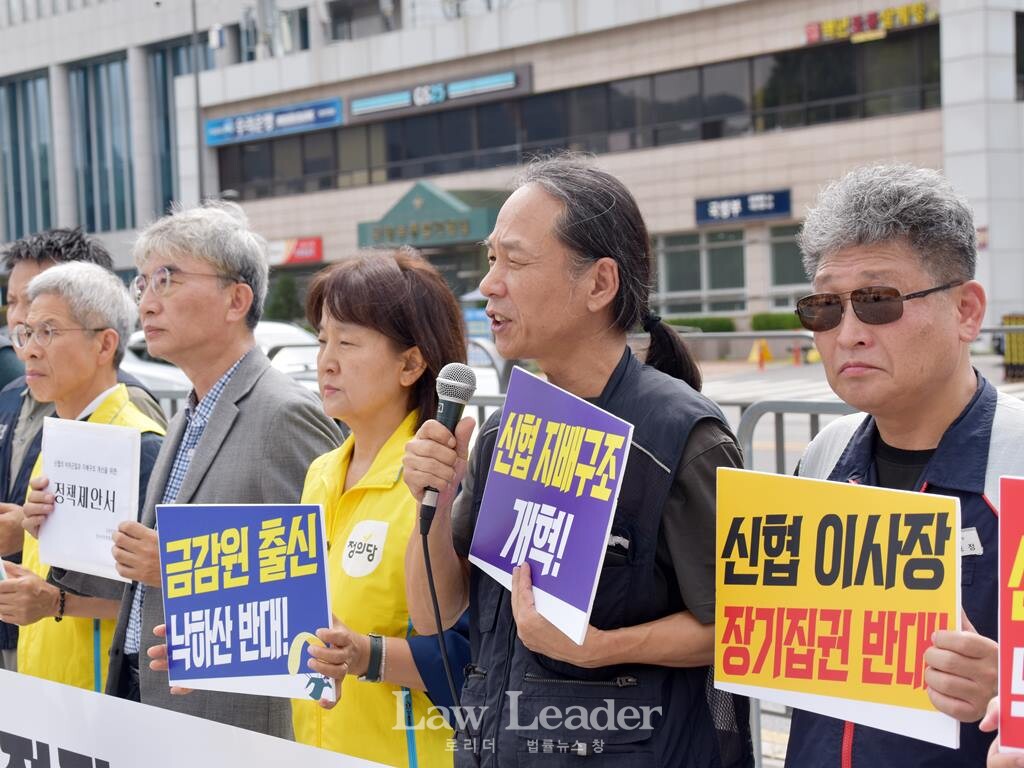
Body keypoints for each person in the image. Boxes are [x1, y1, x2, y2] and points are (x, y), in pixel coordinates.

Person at [402, 155, 753, 767]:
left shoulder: (681, 436)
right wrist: (427, 499)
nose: (489, 284)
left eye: (515, 260)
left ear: (599, 284)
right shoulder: (503, 433)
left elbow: (743, 627)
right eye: (491, 260)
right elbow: (437, 612)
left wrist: (603, 647)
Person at [27, 201, 341, 735]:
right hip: (143, 693)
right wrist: (57, 528)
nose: (147, 302)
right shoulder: (188, 413)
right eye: (142, 283)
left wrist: (175, 568)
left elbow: (317, 586)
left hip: (225, 717)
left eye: (167, 280)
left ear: (235, 299)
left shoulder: (283, 413)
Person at [784, 164, 1020, 767]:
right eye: (824, 307)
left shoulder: (1016, 464)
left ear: (967, 311)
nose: (849, 333)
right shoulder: (823, 457)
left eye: (878, 301)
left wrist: (1011, 688)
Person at [279, 251, 472, 765]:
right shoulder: (321, 472)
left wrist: (365, 655)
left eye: (347, 341)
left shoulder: (443, 483)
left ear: (410, 364)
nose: (326, 360)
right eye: (322, 339)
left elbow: (467, 658)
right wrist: (209, 650)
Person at [0, 228, 165, 673]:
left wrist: (55, 601)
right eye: (26, 333)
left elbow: (162, 598)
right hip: (50, 689)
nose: (30, 351)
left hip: (100, 699)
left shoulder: (138, 443)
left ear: (105, 344)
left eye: (49, 332)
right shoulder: (64, 432)